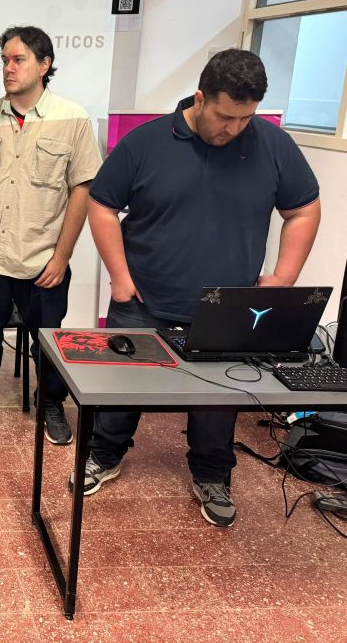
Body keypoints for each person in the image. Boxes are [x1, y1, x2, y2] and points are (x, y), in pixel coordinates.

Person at [79, 48, 321, 527]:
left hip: (228, 308)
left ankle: (212, 475)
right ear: (199, 98)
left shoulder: (273, 145)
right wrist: (120, 278)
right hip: (144, 301)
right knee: (122, 390)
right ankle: (103, 455)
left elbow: (304, 209)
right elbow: (102, 203)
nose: (234, 128)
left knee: (218, 401)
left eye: (245, 118)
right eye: (225, 117)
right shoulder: (146, 142)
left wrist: (284, 278)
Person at [0, 26, 102, 441]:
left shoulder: (72, 119)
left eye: (18, 60)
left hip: (42, 258)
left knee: (47, 340)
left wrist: (62, 257)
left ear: (44, 65)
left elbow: (82, 190)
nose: (8, 68)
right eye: (4, 60)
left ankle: (50, 401)